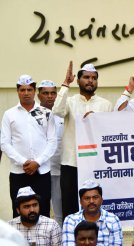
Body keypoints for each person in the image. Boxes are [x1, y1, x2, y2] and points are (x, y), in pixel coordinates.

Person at [52, 62, 113, 219]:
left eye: (93, 78)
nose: (90, 81)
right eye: (86, 77)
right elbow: (57, 111)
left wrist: (97, 120)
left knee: (95, 207)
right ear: (78, 81)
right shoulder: (70, 102)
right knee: (70, 206)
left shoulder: (105, 105)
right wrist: (66, 84)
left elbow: (110, 132)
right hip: (71, 163)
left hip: (96, 163)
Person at [1, 75, 57, 218]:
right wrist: (23, 162)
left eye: (29, 89)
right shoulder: (9, 114)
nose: (26, 93)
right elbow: (4, 143)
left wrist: (37, 162)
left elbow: (52, 142)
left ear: (34, 92)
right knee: (19, 211)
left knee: (43, 210)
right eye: (23, 90)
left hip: (42, 171)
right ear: (18, 91)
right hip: (19, 172)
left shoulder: (46, 113)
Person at [62, 180, 122, 246]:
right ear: (81, 202)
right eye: (87, 198)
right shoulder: (71, 220)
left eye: (95, 197)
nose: (91, 201)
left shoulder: (112, 219)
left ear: (101, 200)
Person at [37, 80, 64, 226]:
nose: (50, 96)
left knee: (60, 211)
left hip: (60, 170)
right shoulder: (32, 114)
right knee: (42, 210)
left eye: (53, 93)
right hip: (41, 170)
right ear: (39, 95)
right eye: (45, 93)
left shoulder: (63, 113)